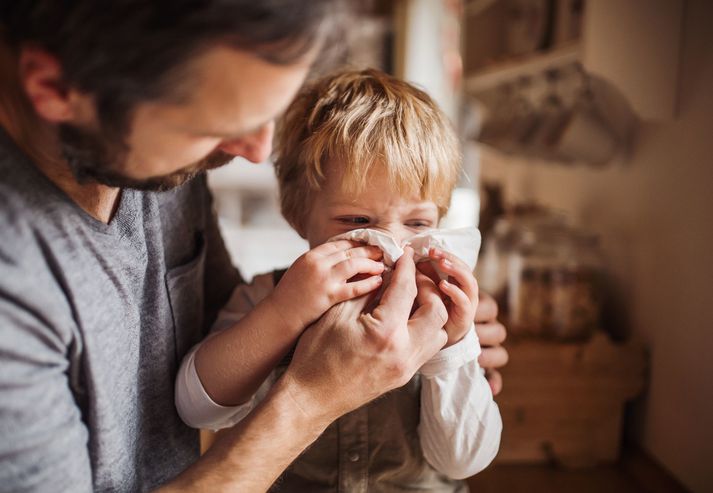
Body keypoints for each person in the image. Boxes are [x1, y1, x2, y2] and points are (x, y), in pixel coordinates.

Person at [0, 2, 508, 491]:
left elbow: (465, 455)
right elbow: (201, 397)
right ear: (55, 89)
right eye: (214, 124)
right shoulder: (16, 287)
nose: (258, 153)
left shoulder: (164, 164)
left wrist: (458, 348)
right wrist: (312, 391)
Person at [175, 69, 502, 492]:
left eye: (418, 222)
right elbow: (197, 410)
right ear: (298, 215)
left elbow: (462, 462)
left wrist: (453, 350)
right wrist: (283, 313)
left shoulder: (443, 312)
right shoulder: (269, 296)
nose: (393, 245)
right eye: (358, 221)